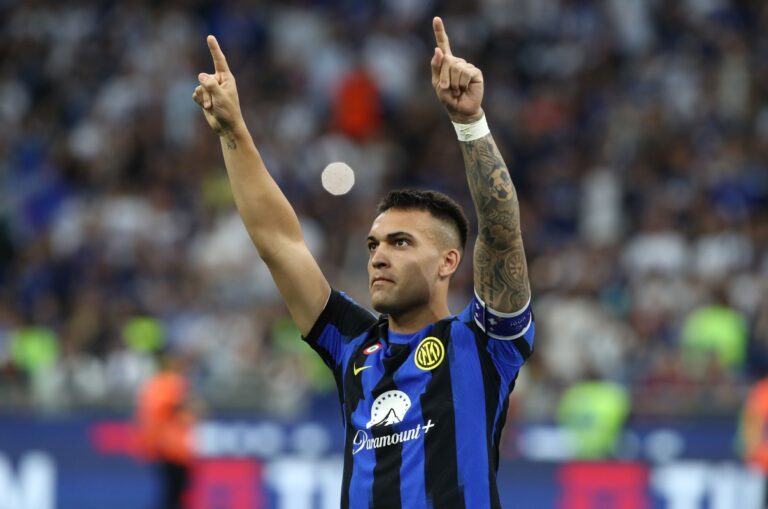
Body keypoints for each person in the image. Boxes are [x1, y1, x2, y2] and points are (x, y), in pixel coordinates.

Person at [192, 17, 534, 509]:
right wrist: (233, 132)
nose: (379, 257)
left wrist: (469, 123)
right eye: (373, 245)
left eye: (400, 243)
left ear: (447, 262)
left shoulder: (482, 345)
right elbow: (279, 243)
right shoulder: (353, 345)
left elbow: (501, 233)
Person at [136, 352, 199, 509]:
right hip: (173, 447)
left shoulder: (153, 384)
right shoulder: (170, 382)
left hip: (165, 445)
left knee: (172, 492)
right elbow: (174, 407)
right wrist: (191, 407)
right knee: (175, 493)